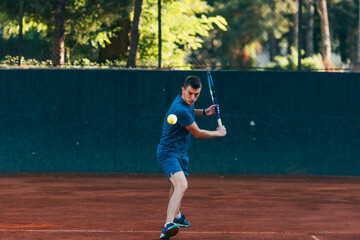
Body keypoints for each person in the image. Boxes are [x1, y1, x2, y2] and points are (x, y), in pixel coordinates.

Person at [157, 75, 227, 239]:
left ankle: (177, 216)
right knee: (182, 184)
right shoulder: (179, 108)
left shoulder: (186, 103)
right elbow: (197, 133)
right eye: (190, 94)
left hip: (180, 152)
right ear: (183, 90)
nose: (193, 98)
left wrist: (205, 112)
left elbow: (190, 112)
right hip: (168, 153)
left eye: (196, 95)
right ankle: (167, 225)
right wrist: (218, 133)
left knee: (175, 186)